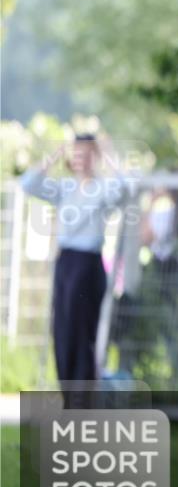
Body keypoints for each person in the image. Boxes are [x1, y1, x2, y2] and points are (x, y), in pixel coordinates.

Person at [20, 134, 134, 391]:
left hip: (87, 264)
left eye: (86, 154)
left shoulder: (103, 189)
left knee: (82, 332)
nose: (80, 159)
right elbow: (27, 184)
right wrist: (53, 156)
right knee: (62, 329)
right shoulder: (65, 188)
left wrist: (109, 154)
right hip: (65, 263)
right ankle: (67, 394)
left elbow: (127, 188)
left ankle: (82, 396)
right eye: (77, 154)